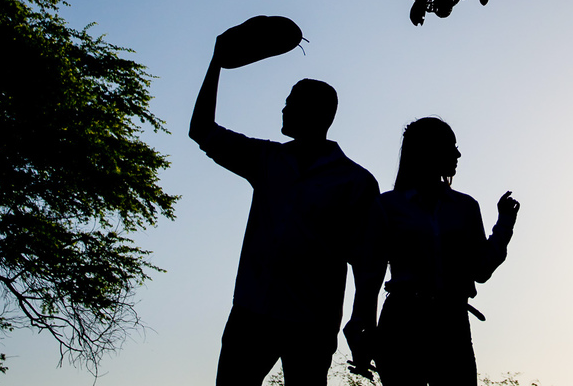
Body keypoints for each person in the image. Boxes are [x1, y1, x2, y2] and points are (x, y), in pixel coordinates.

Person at [189, 30, 383, 386]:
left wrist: (362, 320)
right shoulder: (266, 159)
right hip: (251, 312)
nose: (284, 107)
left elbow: (368, 263)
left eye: (292, 101)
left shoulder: (355, 182)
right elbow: (201, 130)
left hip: (311, 322)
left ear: (320, 113)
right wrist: (216, 63)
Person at [373, 117, 520, 386]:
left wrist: (504, 226)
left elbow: (481, 269)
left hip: (451, 324)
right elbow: (371, 269)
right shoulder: (388, 205)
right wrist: (366, 326)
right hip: (402, 322)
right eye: (451, 146)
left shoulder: (465, 207)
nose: (458, 154)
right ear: (428, 150)